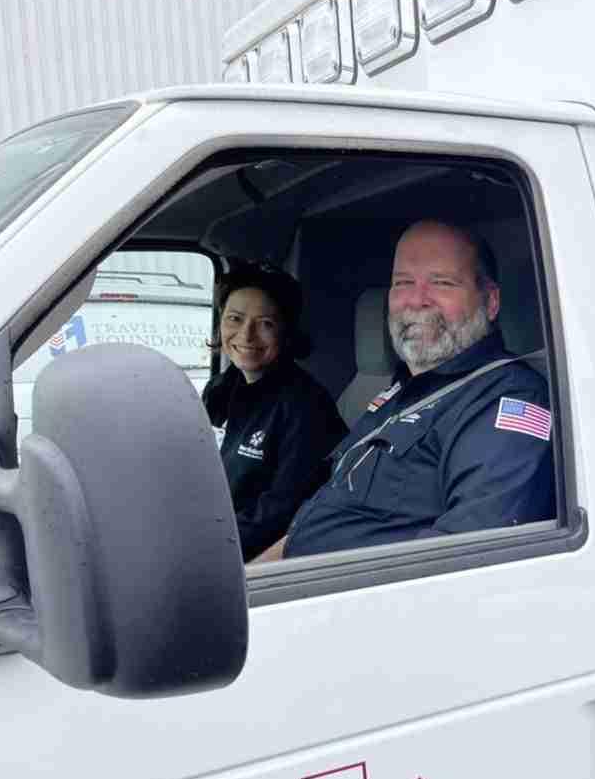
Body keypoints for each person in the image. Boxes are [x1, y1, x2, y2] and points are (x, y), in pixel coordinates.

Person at [262, 220, 554, 560]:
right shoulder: (400, 392)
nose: (416, 300)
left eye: (442, 282)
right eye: (402, 282)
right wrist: (252, 575)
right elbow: (324, 516)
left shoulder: (507, 400)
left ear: (490, 302)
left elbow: (469, 564)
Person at [202, 263, 347, 561]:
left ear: (286, 331)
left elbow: (280, 511)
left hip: (256, 553)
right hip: (215, 530)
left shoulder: (305, 407)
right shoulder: (220, 388)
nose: (247, 335)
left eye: (265, 323)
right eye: (235, 319)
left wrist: (209, 548)